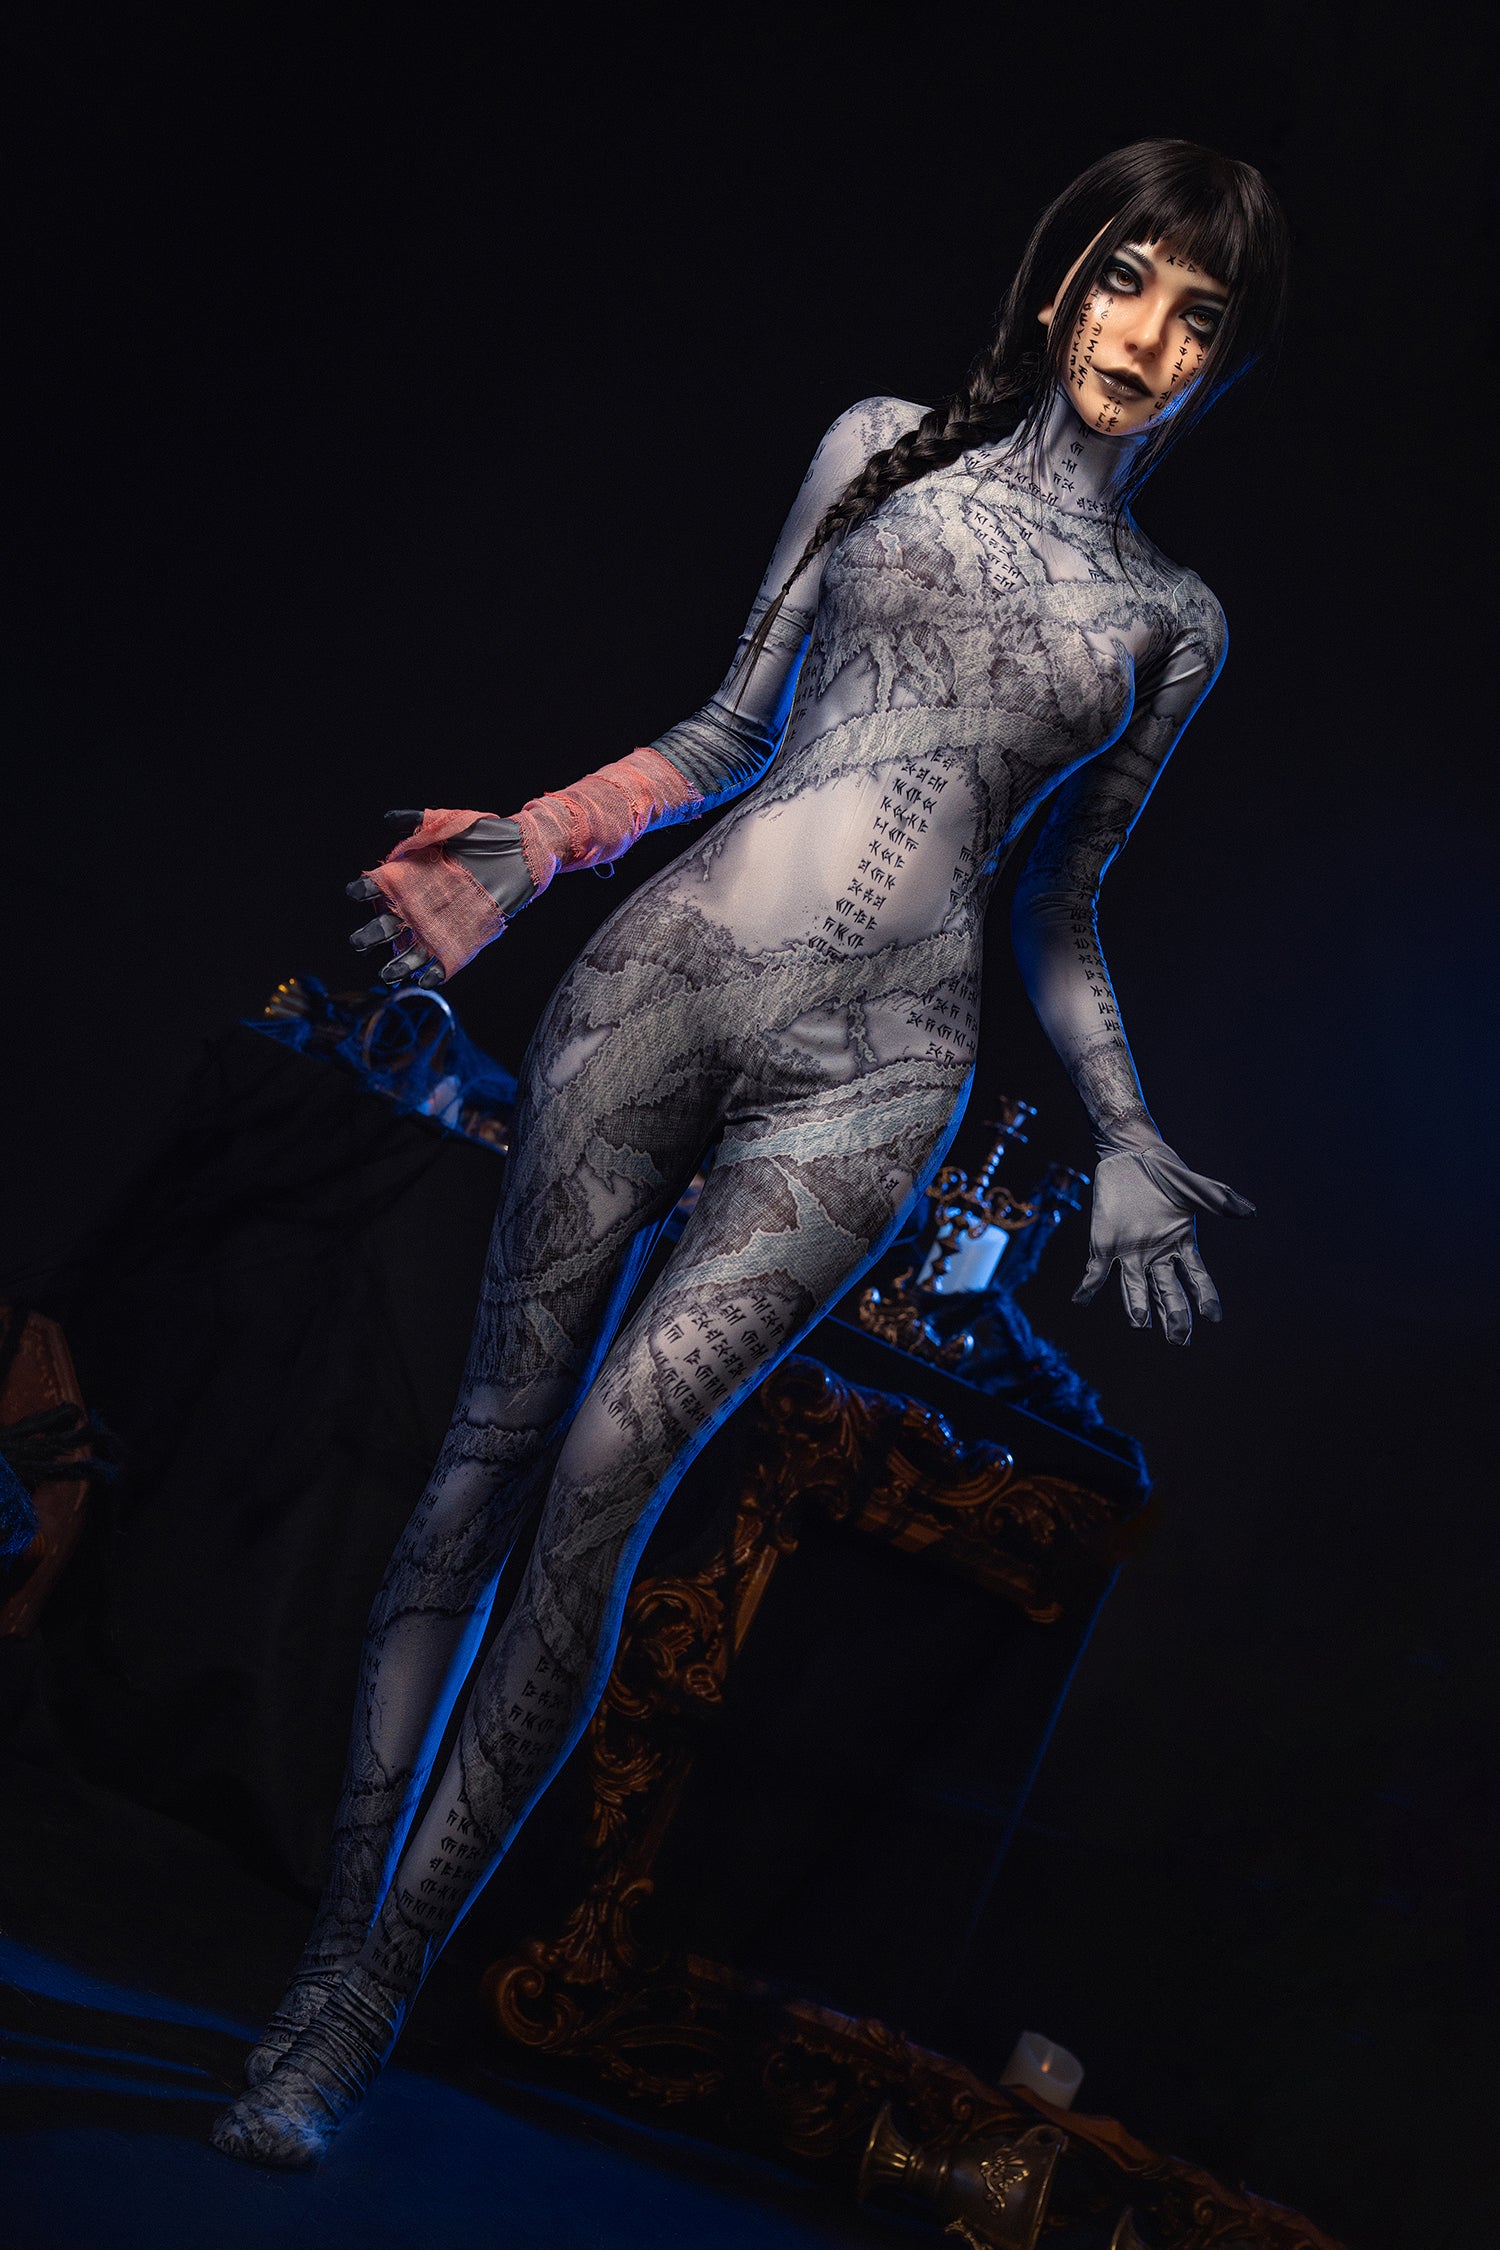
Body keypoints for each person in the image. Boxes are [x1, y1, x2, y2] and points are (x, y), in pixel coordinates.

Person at [213, 137, 1289, 2166]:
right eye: (1129, 278)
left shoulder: (1175, 621)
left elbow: (1061, 904)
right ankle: (327, 1964)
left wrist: (1131, 1127)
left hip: (876, 1082)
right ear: (1063, 279)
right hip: (669, 980)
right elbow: (724, 730)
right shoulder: (878, 447)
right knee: (487, 1453)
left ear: (1224, 367)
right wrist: (534, 843)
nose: (1148, 335)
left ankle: (365, 1999)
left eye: (1200, 316)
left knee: (599, 1493)